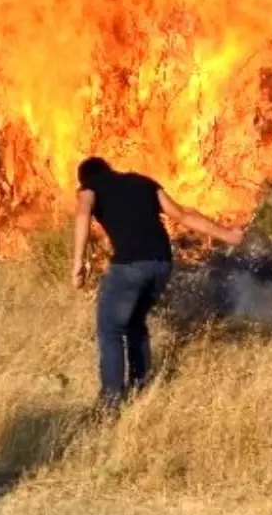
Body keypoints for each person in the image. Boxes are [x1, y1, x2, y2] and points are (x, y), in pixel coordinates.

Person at [70, 157, 244, 413]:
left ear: (85, 179)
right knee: (135, 323)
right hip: (162, 264)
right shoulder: (144, 182)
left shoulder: (90, 187)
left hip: (130, 265)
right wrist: (228, 235)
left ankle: (110, 403)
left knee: (110, 330)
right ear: (110, 169)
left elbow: (83, 213)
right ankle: (140, 386)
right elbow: (182, 215)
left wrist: (78, 263)